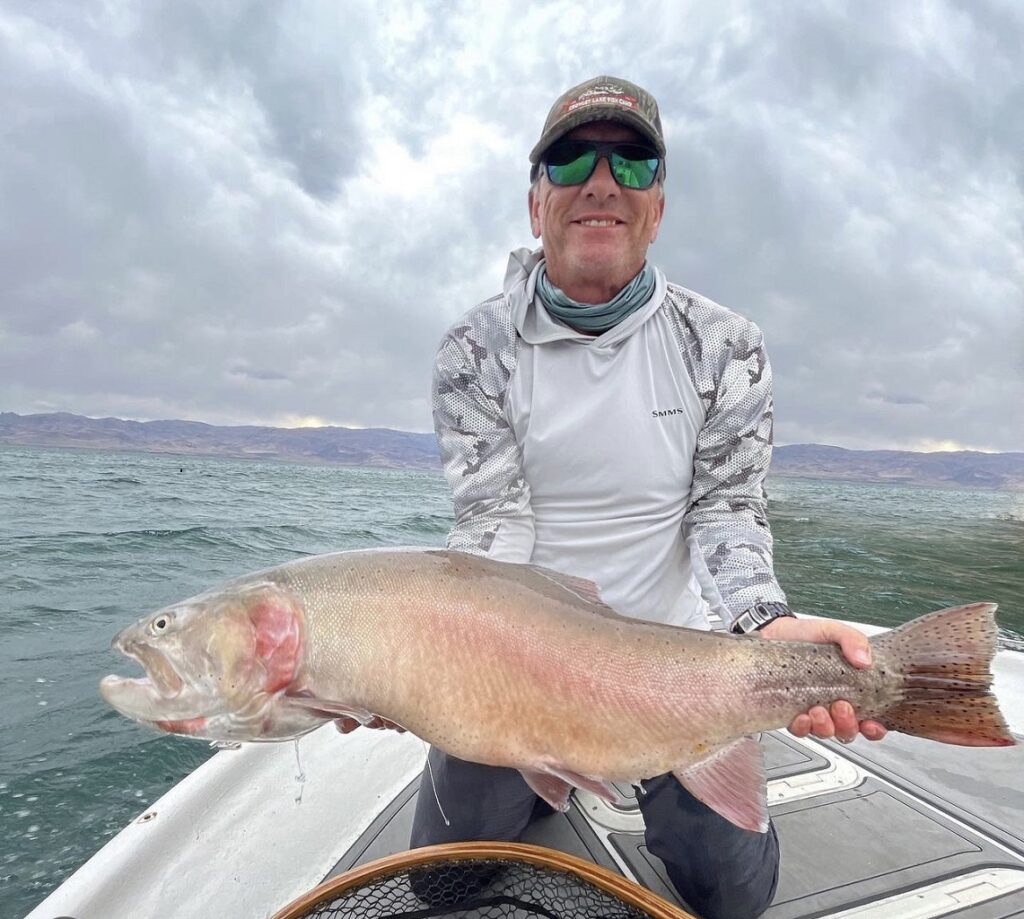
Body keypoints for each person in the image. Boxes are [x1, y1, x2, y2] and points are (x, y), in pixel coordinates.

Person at [388, 76, 887, 919]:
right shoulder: (474, 350)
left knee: (735, 900)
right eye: (572, 157)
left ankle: (633, 770)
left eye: (632, 162)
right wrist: (422, 667)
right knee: (439, 883)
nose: (600, 181)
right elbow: (494, 523)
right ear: (535, 199)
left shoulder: (723, 345)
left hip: (677, 660)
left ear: (658, 205)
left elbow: (727, 507)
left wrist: (764, 620)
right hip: (517, 664)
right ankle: (547, 770)